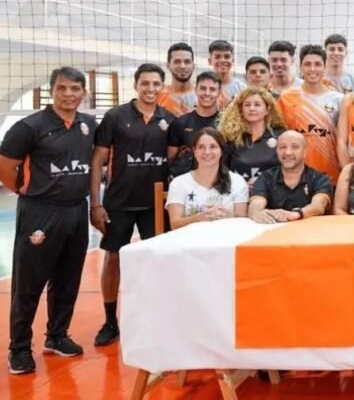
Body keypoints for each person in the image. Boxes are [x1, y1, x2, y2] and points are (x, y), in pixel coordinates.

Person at [0, 67, 96, 374]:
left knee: (68, 279)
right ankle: (18, 348)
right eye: (63, 88)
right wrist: (24, 190)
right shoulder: (29, 127)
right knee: (29, 283)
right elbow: (5, 165)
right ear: (51, 90)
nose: (69, 94)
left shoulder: (88, 124)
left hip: (76, 210)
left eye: (75, 88)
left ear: (84, 92)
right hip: (40, 211)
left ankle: (56, 336)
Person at [89, 63, 176, 347]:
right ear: (136, 85)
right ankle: (110, 321)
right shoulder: (115, 117)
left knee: (156, 260)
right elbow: (98, 161)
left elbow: (174, 159)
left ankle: (155, 318)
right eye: (145, 83)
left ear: (162, 86)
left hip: (154, 203)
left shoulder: (169, 120)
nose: (150, 89)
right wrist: (95, 204)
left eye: (155, 84)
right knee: (113, 257)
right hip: (119, 201)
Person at [276, 45, 344, 184]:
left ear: (325, 67)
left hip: (330, 175)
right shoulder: (286, 98)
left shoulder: (339, 99)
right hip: (295, 176)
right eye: (307, 64)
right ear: (300, 67)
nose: (312, 69)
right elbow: (279, 137)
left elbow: (344, 140)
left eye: (318, 64)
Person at [165, 128, 248, 229]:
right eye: (201, 147)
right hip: (190, 242)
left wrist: (228, 216)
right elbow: (175, 225)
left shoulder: (237, 182)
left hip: (227, 240)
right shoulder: (178, 183)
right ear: (194, 151)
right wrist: (198, 218)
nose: (207, 152)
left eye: (213, 147)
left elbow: (243, 223)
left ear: (221, 151)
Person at [248, 130, 333, 223]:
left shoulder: (319, 178)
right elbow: (256, 202)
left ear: (305, 151)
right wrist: (256, 212)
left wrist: (296, 214)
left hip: (311, 233)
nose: (288, 152)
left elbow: (318, 206)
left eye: (295, 147)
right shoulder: (266, 177)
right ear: (276, 151)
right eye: (283, 147)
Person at [220, 86, 286, 183]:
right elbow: (222, 170)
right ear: (241, 109)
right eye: (247, 105)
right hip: (240, 195)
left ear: (267, 109)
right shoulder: (230, 137)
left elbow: (291, 168)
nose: (251, 108)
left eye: (257, 104)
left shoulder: (281, 136)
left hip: (273, 194)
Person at [167, 72, 222, 178]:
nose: (207, 93)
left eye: (212, 89)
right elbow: (170, 159)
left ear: (219, 92)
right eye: (203, 88)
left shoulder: (227, 123)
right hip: (188, 186)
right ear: (196, 90)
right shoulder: (180, 123)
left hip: (219, 183)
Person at [156, 42, 197, 116]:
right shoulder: (157, 97)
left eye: (187, 62)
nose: (182, 66)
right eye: (177, 62)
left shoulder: (205, 95)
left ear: (193, 65)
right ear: (168, 65)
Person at [208, 40, 246, 106]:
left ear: (233, 60)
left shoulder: (242, 88)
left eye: (227, 57)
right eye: (217, 57)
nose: (222, 60)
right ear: (210, 61)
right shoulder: (203, 87)